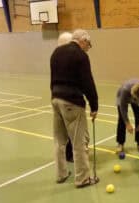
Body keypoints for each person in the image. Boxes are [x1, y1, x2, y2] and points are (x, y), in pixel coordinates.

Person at [50, 29, 98, 188]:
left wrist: (55, 98)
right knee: (79, 142)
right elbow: (87, 82)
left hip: (55, 100)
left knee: (59, 141)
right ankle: (83, 179)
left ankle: (61, 174)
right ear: (82, 40)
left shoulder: (56, 52)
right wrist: (94, 105)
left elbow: (53, 79)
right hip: (72, 103)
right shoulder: (80, 56)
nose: (88, 47)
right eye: (88, 44)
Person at [116, 79, 139, 153]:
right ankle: (120, 143)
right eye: (137, 100)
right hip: (122, 95)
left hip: (138, 96)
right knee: (122, 119)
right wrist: (127, 123)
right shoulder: (125, 91)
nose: (138, 103)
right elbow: (123, 109)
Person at [56, 32, 74, 163]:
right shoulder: (70, 59)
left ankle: (63, 163)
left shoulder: (55, 57)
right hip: (69, 101)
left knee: (61, 136)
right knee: (72, 132)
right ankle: (71, 155)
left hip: (56, 99)